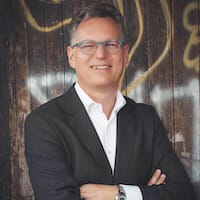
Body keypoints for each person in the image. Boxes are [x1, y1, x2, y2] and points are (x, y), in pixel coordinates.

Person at [24, 3, 195, 200]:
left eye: (111, 44)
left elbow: (183, 193)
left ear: (125, 53)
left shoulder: (146, 118)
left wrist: (118, 193)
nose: (100, 54)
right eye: (88, 45)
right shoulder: (44, 122)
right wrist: (145, 193)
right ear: (72, 56)